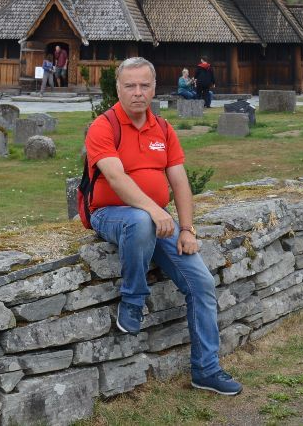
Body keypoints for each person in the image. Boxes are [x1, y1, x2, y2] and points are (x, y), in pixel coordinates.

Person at [83, 57, 242, 396]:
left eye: (144, 86)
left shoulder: (164, 129)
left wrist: (186, 229)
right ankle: (132, 300)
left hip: (157, 220)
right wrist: (156, 210)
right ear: (118, 88)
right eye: (130, 86)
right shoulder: (104, 126)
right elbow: (115, 176)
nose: (137, 93)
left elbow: (180, 183)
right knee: (140, 220)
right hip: (111, 215)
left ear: (154, 89)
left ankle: (206, 370)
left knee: (201, 283)